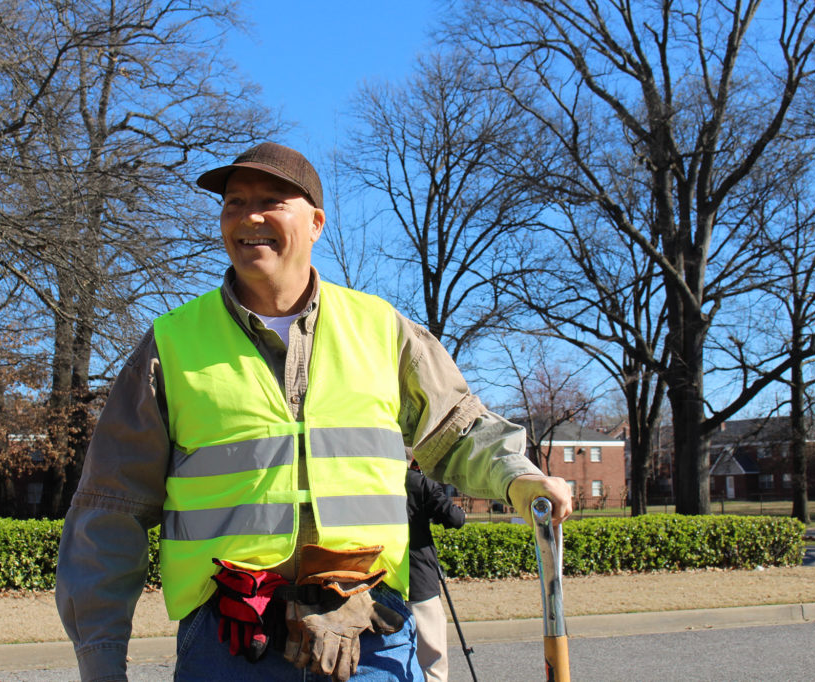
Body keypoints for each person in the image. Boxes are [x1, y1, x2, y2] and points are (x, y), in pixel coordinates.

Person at [55, 141, 573, 682]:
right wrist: (100, 659)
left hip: (370, 632)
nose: (249, 216)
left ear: (317, 223)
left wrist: (521, 478)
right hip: (228, 643)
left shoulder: (381, 328)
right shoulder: (170, 344)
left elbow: (458, 430)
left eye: (272, 200)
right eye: (234, 202)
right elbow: (109, 510)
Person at [405, 461, 466, 682]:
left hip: (380, 581)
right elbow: (454, 518)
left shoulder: (376, 479)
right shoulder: (418, 482)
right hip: (419, 578)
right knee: (432, 661)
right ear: (415, 461)